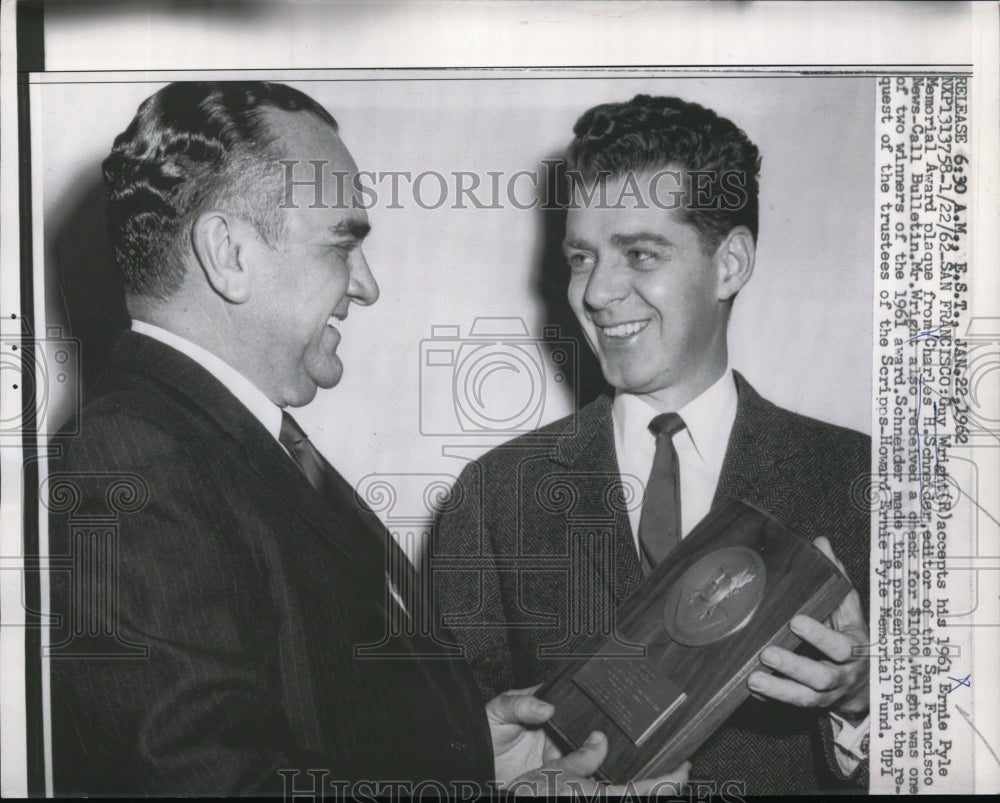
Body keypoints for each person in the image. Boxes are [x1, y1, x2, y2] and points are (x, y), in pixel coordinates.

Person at [46, 82, 688, 797]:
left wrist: (470, 754)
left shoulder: (222, 442)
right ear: (227, 252)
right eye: (343, 243)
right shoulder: (130, 459)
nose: (368, 285)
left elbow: (305, 729)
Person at [433, 94, 871, 795]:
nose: (597, 291)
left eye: (640, 252)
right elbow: (442, 754)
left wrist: (861, 702)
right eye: (582, 257)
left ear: (729, 264)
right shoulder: (493, 495)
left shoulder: (865, 480)